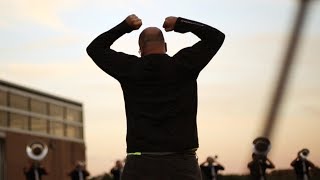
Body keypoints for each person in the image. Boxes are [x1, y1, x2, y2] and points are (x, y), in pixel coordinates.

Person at [87, 14, 225, 180]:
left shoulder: (130, 69)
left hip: (140, 161)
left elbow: (95, 49)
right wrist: (180, 23)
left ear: (140, 48)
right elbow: (216, 37)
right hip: (182, 162)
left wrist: (124, 26)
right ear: (165, 46)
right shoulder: (185, 65)